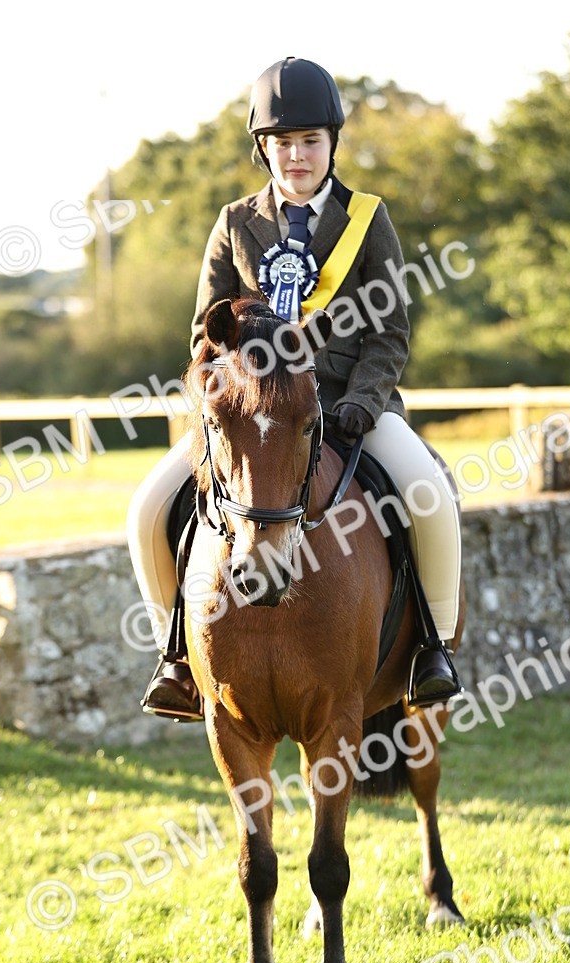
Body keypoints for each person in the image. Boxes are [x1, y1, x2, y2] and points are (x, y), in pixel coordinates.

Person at [127, 56, 462, 721]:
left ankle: (433, 644)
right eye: (283, 143)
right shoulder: (234, 223)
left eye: (310, 141)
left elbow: (389, 333)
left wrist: (360, 408)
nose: (297, 155)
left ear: (333, 143)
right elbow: (204, 340)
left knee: (427, 495)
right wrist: (229, 405)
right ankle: (178, 655)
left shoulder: (367, 219)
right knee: (145, 509)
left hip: (347, 409)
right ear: (264, 149)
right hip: (252, 418)